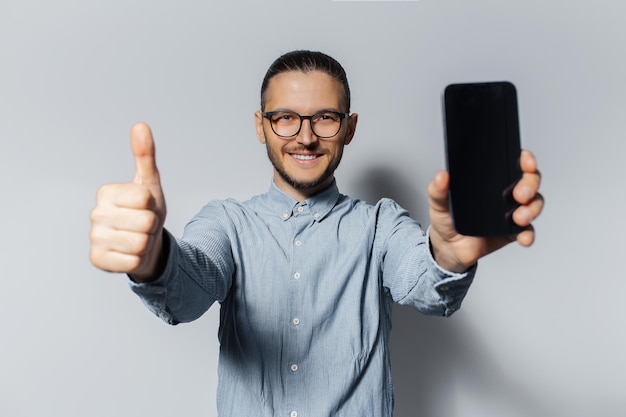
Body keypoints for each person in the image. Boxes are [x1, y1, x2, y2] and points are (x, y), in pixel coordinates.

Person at [89, 50, 544, 416]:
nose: (305, 137)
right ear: (260, 126)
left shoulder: (380, 225)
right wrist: (153, 258)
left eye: (325, 118)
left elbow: (426, 285)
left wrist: (446, 255)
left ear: (349, 128)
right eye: (285, 117)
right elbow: (187, 288)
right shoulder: (226, 223)